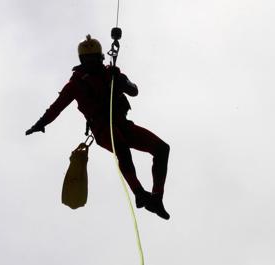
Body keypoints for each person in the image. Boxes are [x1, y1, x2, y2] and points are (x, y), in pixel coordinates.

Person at [26, 35, 170, 220]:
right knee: (122, 149)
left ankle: (156, 198)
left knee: (161, 149)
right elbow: (57, 107)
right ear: (82, 61)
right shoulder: (76, 84)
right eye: (88, 60)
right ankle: (139, 193)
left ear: (100, 57)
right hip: (103, 129)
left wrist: (122, 82)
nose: (91, 63)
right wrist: (40, 124)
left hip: (123, 125)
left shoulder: (111, 73)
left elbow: (134, 91)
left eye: (94, 59)